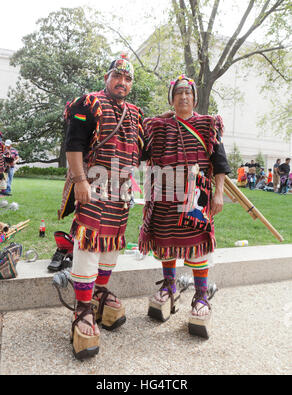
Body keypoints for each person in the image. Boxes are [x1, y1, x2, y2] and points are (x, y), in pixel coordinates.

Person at [58, 55, 145, 359]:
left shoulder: (135, 114)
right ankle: (82, 309)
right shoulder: (89, 103)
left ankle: (99, 294)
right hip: (92, 185)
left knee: (112, 244)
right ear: (108, 77)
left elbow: (145, 150)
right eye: (117, 76)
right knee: (89, 242)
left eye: (128, 78)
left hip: (121, 190)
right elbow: (74, 144)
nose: (123, 82)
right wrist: (80, 181)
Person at [139, 75, 231, 339]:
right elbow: (142, 153)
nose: (183, 97)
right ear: (172, 98)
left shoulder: (208, 125)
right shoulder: (156, 126)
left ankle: (201, 297)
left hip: (196, 196)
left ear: (195, 98)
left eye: (188, 93)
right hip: (164, 194)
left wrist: (219, 194)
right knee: (166, 242)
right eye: (178, 93)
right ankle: (169, 287)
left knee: (198, 245)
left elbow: (220, 162)